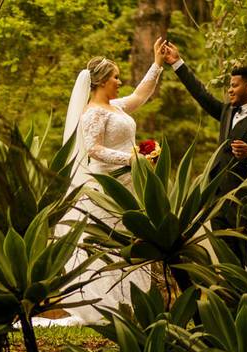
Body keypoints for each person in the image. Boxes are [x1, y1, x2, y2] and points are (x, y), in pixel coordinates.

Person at [45, 38, 166, 327]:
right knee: (106, 243)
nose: (120, 81)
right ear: (100, 82)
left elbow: (140, 95)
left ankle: (132, 301)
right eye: (115, 77)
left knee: (127, 239)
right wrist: (132, 158)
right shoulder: (93, 113)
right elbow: (93, 149)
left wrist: (158, 65)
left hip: (128, 184)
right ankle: (104, 305)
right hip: (106, 186)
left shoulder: (116, 107)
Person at [162, 42, 247, 247]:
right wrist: (177, 63)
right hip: (217, 200)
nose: (229, 90)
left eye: (234, 85)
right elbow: (201, 94)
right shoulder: (227, 111)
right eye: (229, 86)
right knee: (226, 259)